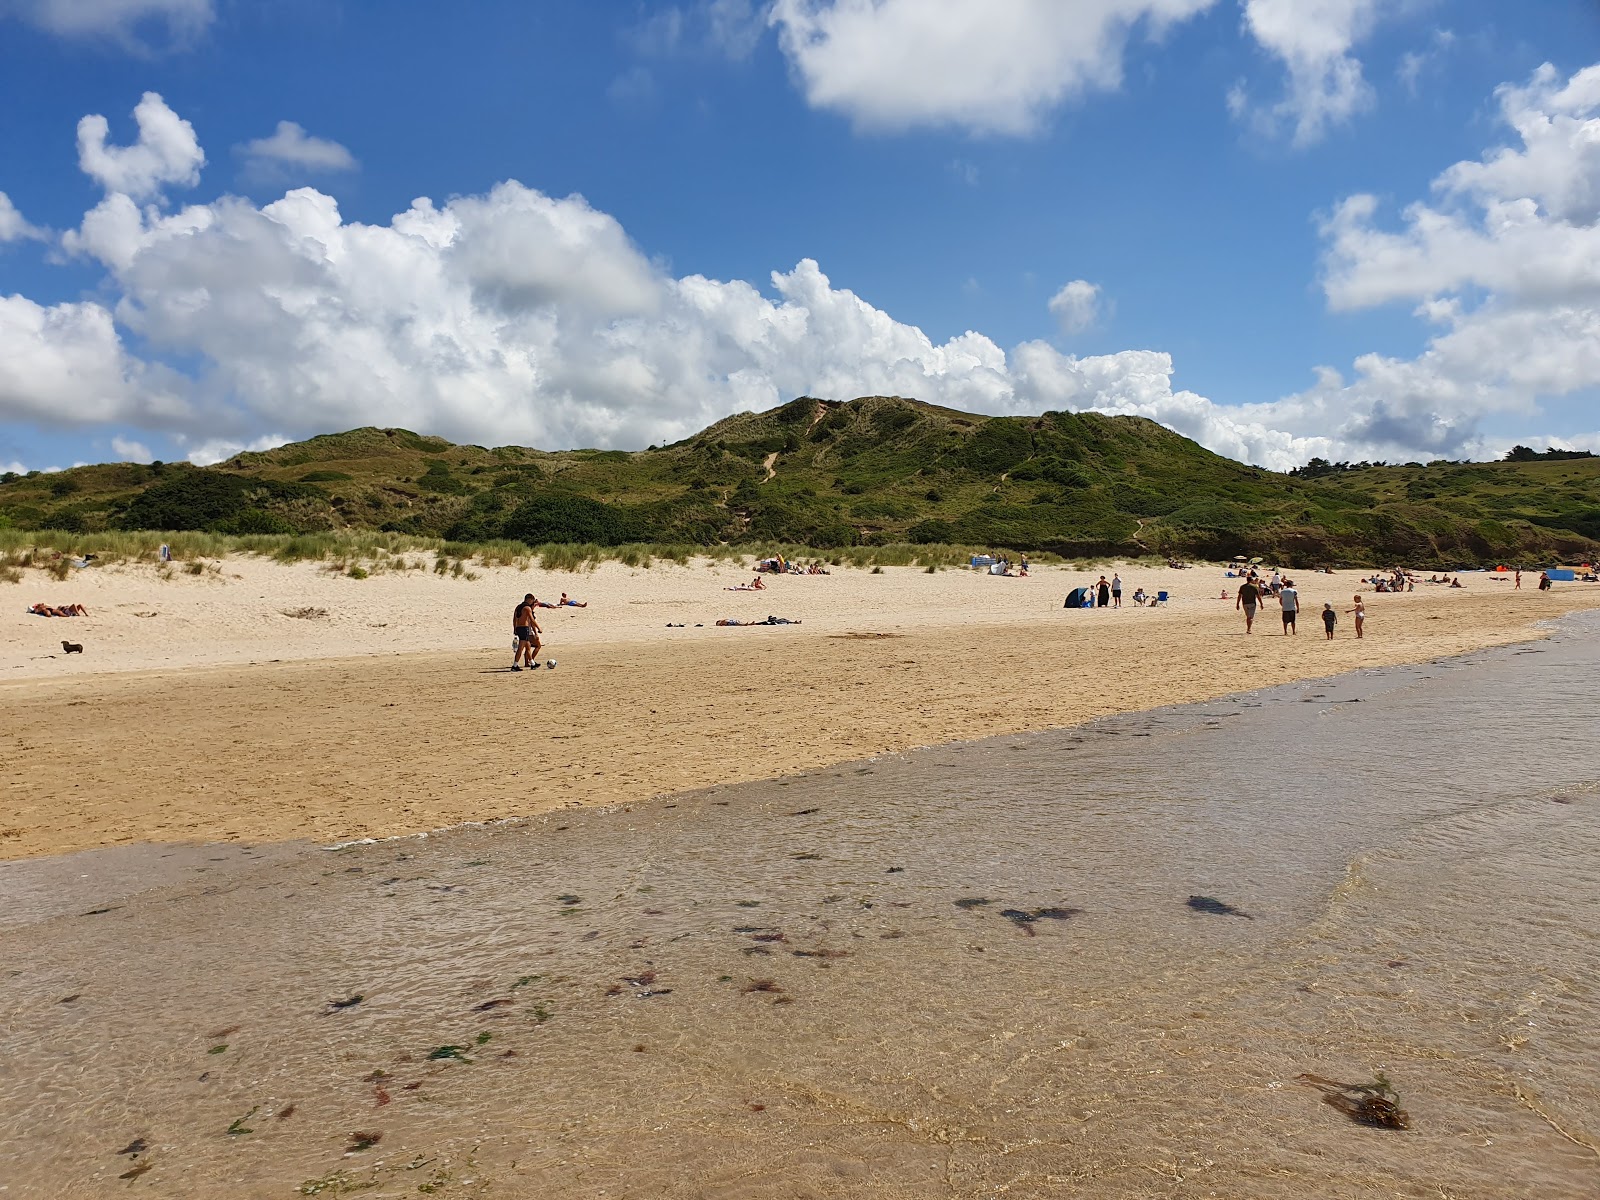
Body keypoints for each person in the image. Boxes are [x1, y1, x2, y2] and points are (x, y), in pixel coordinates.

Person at [512, 594, 541, 671]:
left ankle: (532, 664)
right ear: (529, 599)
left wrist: (515, 628)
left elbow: (514, 619)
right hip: (524, 628)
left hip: (519, 628)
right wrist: (538, 628)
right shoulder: (527, 608)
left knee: (528, 646)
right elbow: (532, 620)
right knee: (520, 648)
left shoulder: (518, 607)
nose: (532, 602)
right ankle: (515, 665)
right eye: (532, 600)